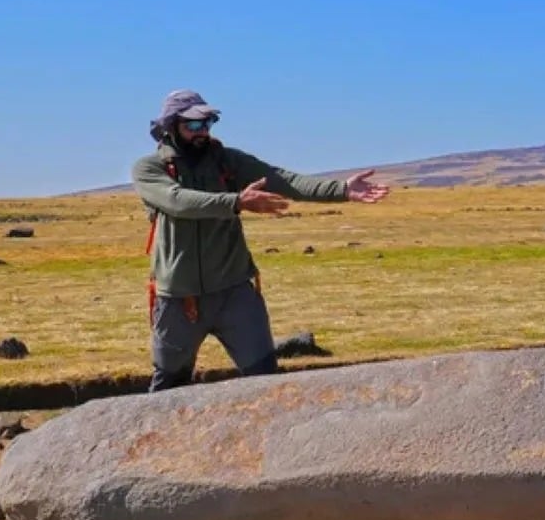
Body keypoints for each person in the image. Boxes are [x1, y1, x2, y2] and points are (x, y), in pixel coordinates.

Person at [130, 89, 390, 392]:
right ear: (170, 126)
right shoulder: (149, 168)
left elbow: (283, 180)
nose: (203, 132)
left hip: (235, 294)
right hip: (179, 299)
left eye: (208, 123)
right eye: (193, 125)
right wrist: (237, 201)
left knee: (266, 381)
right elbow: (177, 201)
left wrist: (342, 190)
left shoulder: (228, 161)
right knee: (168, 388)